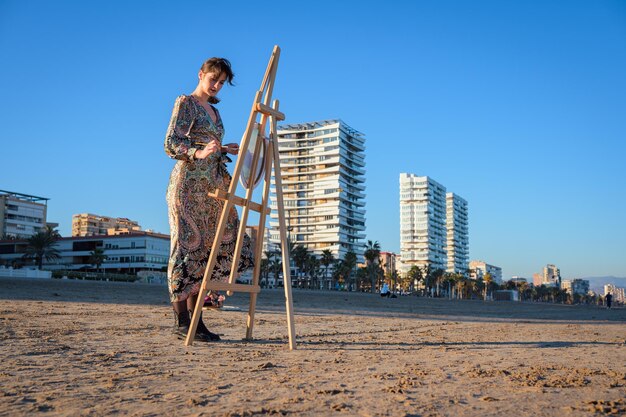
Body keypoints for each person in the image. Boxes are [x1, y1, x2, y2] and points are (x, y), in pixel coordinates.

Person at [164, 57, 253, 342]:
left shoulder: (215, 114)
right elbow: (171, 143)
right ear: (201, 74)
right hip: (187, 188)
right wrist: (198, 153)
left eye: (221, 83)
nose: (216, 86)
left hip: (212, 189)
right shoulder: (186, 103)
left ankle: (197, 323)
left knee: (208, 252)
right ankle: (181, 322)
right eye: (213, 79)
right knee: (186, 250)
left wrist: (224, 148)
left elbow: (208, 145)